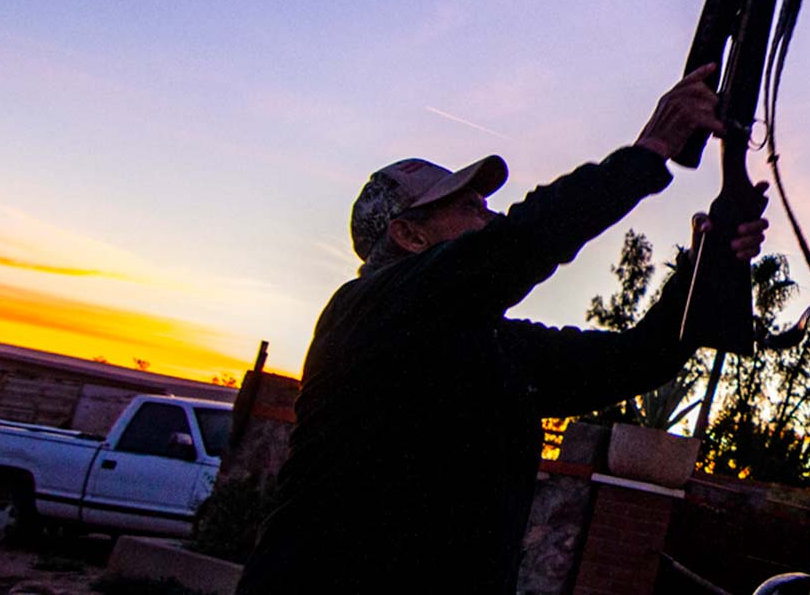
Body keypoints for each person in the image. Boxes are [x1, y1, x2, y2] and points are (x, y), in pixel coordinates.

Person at [236, 64, 764, 594]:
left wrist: (702, 266)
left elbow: (638, 358)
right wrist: (647, 153)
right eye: (470, 207)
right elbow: (517, 244)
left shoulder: (491, 344)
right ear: (409, 236)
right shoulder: (369, 311)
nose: (488, 217)